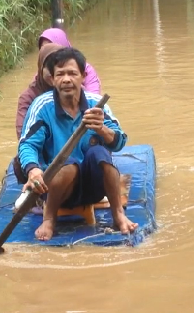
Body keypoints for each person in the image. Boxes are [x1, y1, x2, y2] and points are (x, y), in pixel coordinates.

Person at [17, 47, 138, 241]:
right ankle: (49, 219)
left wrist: (102, 130)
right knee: (69, 165)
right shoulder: (41, 106)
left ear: (83, 76)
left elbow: (119, 142)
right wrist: (33, 170)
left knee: (100, 154)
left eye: (72, 73)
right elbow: (27, 145)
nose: (66, 79)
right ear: (52, 79)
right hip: (57, 188)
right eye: (60, 74)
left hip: (94, 188)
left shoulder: (96, 104)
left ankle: (118, 214)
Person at [15, 42, 62, 137]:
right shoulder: (28, 97)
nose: (53, 73)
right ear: (41, 68)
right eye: (50, 68)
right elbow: (22, 132)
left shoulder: (75, 89)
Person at [38, 28, 102, 94]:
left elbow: (94, 97)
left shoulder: (86, 69)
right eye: (43, 47)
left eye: (52, 47)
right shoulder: (41, 74)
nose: (47, 51)